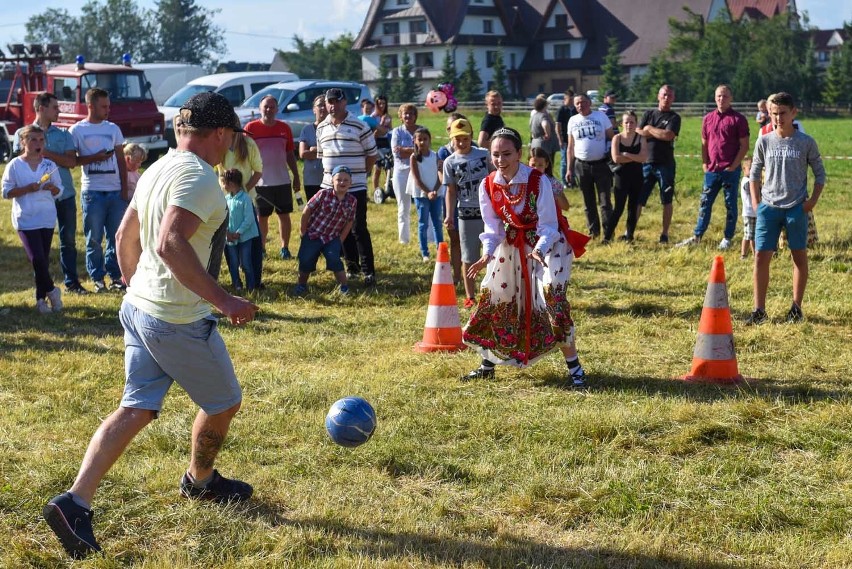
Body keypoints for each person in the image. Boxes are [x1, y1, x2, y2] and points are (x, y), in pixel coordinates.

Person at [43, 91, 259, 559]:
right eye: (231, 138)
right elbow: (168, 242)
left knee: (137, 406)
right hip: (176, 320)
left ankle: (74, 502)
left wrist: (135, 284)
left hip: (139, 307)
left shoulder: (158, 165)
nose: (230, 147)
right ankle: (199, 481)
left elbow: (126, 236)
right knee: (224, 402)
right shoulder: (201, 178)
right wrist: (224, 300)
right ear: (219, 133)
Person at [461, 127, 590, 388]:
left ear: (519, 154)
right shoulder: (487, 185)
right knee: (498, 297)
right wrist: (487, 255)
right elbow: (493, 227)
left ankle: (575, 368)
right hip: (512, 244)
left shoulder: (537, 181)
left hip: (547, 245)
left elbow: (549, 226)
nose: (500, 160)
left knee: (552, 297)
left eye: (506, 154)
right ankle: (488, 364)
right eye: (495, 155)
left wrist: (539, 251)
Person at [746, 92, 826, 325]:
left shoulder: (805, 142)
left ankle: (796, 308)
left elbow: (820, 174)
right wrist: (755, 202)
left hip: (796, 208)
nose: (778, 118)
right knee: (761, 256)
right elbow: (753, 173)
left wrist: (812, 202)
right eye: (773, 114)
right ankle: (759, 310)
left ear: (793, 113)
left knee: (798, 255)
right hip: (768, 207)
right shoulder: (764, 140)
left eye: (782, 113)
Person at [13, 92, 87, 294]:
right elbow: (19, 160)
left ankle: (72, 283)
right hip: (36, 198)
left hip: (64, 195)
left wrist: (43, 152)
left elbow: (71, 162)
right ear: (41, 108)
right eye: (55, 107)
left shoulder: (64, 135)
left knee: (69, 240)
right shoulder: (22, 133)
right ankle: (43, 286)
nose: (59, 111)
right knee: (39, 246)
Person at [316, 87, 379, 286]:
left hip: (355, 187)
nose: (333, 105)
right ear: (326, 104)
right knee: (338, 229)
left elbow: (372, 155)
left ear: (344, 103)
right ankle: (352, 268)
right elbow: (321, 156)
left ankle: (368, 271)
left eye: (337, 101)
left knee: (358, 228)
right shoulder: (321, 128)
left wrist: (359, 176)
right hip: (329, 188)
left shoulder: (359, 126)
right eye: (330, 102)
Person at [70, 87, 129, 293]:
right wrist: (95, 157)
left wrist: (124, 189)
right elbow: (73, 161)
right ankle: (97, 278)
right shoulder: (77, 130)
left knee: (116, 236)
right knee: (94, 238)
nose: (108, 110)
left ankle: (115, 276)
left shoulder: (113, 129)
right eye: (103, 106)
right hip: (92, 191)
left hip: (115, 191)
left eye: (109, 106)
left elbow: (121, 160)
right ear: (90, 106)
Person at [677, 84, 749, 250]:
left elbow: (744, 146)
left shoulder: (738, 119)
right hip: (712, 169)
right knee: (705, 202)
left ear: (731, 98)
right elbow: (704, 144)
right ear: (714, 98)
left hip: (729, 170)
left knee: (730, 204)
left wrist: (733, 166)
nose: (721, 99)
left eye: (724, 96)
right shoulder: (708, 119)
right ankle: (697, 235)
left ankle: (728, 237)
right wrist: (704, 163)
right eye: (718, 96)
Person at [2, 125, 64, 314]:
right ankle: (52, 290)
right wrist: (27, 189)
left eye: (41, 140)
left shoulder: (49, 165)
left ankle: (40, 300)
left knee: (42, 261)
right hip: (26, 219)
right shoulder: (15, 165)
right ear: (23, 142)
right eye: (33, 140)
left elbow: (59, 189)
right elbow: (6, 192)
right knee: (37, 259)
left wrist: (52, 189)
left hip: (46, 217)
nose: (38, 144)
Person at [443, 118, 493, 308]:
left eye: (465, 139)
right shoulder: (450, 162)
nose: (462, 143)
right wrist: (449, 215)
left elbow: (495, 177)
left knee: (491, 254)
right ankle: (470, 295)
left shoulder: (484, 155)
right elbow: (451, 191)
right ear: (452, 140)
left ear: (471, 136)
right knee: (468, 256)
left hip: (487, 212)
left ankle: (491, 292)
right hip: (465, 214)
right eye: (458, 140)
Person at [244, 94, 301, 260]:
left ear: (277, 109)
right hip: (260, 182)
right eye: (265, 107)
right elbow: (245, 154)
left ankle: (285, 248)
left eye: (272, 107)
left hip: (282, 180)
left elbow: (290, 153)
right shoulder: (251, 127)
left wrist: (296, 176)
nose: (268, 110)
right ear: (260, 109)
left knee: (284, 216)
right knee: (262, 217)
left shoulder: (285, 128)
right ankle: (261, 248)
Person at [295, 165, 357, 295]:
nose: (342, 182)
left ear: (351, 183)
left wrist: (340, 239)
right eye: (339, 179)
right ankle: (301, 285)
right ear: (332, 181)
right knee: (306, 260)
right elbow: (307, 210)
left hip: (332, 237)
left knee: (335, 260)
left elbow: (349, 221)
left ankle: (344, 287)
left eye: (346, 180)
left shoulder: (352, 201)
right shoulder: (323, 194)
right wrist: (303, 230)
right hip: (313, 234)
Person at [217, 132, 263, 289]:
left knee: (250, 255)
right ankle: (236, 282)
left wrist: (243, 191)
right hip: (227, 206)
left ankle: (254, 283)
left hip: (245, 202)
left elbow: (258, 170)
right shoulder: (218, 142)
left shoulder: (248, 143)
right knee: (232, 256)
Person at [636, 84, 681, 244]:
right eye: (664, 95)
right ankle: (630, 230)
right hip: (646, 163)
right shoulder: (649, 113)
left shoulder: (674, 117)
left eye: (669, 95)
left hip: (666, 164)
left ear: (673, 98)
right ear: (658, 96)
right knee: (639, 199)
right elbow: (638, 132)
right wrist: (651, 131)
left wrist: (649, 129)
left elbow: (668, 135)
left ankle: (664, 233)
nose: (666, 98)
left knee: (666, 200)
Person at [566, 93, 614, 241]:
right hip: (582, 165)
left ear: (590, 102)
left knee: (605, 200)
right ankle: (594, 232)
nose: (581, 105)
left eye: (583, 102)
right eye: (577, 104)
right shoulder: (573, 120)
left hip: (601, 164)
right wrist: (569, 168)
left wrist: (614, 158)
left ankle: (608, 233)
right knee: (588, 202)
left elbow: (612, 137)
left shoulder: (601, 117)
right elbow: (570, 146)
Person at [437, 112, 468, 285]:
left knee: (472, 241)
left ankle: (469, 274)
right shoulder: (444, 152)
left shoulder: (475, 149)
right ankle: (457, 276)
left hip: (472, 201)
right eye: (450, 128)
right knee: (455, 240)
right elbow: (443, 178)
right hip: (452, 201)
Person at [609, 111, 648, 242]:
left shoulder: (641, 138)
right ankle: (607, 236)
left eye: (632, 122)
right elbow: (616, 158)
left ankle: (629, 236)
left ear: (636, 124)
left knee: (633, 207)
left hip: (637, 177)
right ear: (621, 124)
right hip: (621, 177)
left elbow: (643, 158)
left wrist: (627, 154)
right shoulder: (617, 138)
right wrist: (634, 158)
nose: (629, 125)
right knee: (618, 208)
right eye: (626, 122)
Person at [407, 127, 444, 262]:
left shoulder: (436, 156)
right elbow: (417, 179)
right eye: (419, 139)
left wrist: (434, 191)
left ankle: (441, 250)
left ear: (429, 140)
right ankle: (425, 252)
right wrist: (427, 192)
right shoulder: (414, 158)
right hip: (421, 195)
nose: (422, 142)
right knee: (423, 223)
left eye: (425, 139)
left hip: (436, 193)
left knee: (437, 223)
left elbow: (441, 176)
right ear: (415, 141)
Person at [222, 169, 259, 291]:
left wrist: (239, 232)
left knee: (246, 263)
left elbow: (249, 218)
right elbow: (223, 217)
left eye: (225, 183)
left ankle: (251, 286)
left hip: (244, 236)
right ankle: (237, 284)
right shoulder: (226, 199)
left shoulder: (245, 198)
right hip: (230, 237)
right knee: (233, 262)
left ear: (231, 183)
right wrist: (227, 232)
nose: (223, 185)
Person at [391, 103, 422, 245]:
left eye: (411, 113)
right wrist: (414, 150)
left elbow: (423, 151)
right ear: (401, 116)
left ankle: (427, 237)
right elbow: (396, 152)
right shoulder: (396, 131)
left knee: (423, 204)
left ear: (415, 115)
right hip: (401, 172)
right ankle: (404, 239)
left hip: (419, 170)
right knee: (403, 206)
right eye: (405, 113)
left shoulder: (421, 131)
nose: (408, 116)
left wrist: (406, 149)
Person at [299, 95, 328, 201]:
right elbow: (303, 154)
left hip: (329, 179)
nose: (323, 108)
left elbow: (335, 152)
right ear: (314, 110)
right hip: (311, 179)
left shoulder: (334, 129)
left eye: (325, 105)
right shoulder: (306, 130)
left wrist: (314, 149)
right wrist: (325, 151)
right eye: (320, 105)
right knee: (313, 212)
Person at [528, 146, 569, 211]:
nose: (536, 168)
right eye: (533, 165)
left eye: (540, 165)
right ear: (528, 163)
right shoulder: (522, 180)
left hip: (547, 218)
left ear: (546, 164)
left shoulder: (552, 183)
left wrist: (556, 194)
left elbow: (566, 207)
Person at [371, 95, 393, 196]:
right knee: (377, 168)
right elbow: (374, 132)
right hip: (376, 143)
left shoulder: (387, 116)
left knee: (388, 166)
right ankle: (376, 190)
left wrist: (386, 128)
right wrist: (381, 127)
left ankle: (388, 188)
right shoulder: (373, 117)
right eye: (379, 103)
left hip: (386, 142)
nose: (382, 105)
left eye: (383, 103)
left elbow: (389, 129)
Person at [529, 95, 559, 164]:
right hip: (545, 145)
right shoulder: (543, 115)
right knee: (547, 165)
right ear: (544, 106)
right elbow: (545, 124)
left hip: (535, 143)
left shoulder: (534, 116)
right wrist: (547, 134)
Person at [555, 89, 576, 187]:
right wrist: (560, 139)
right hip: (565, 139)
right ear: (565, 99)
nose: (571, 101)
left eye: (573, 99)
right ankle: (564, 181)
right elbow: (557, 126)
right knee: (564, 161)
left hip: (575, 140)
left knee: (574, 161)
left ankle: (573, 180)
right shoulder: (561, 110)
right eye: (569, 99)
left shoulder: (576, 110)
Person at [739, 156, 756, 259]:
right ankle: (745, 255)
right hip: (749, 213)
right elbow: (751, 190)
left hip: (754, 212)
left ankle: (754, 255)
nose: (753, 170)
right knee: (749, 236)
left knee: (753, 236)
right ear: (744, 169)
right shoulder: (746, 181)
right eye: (750, 168)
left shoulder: (752, 180)